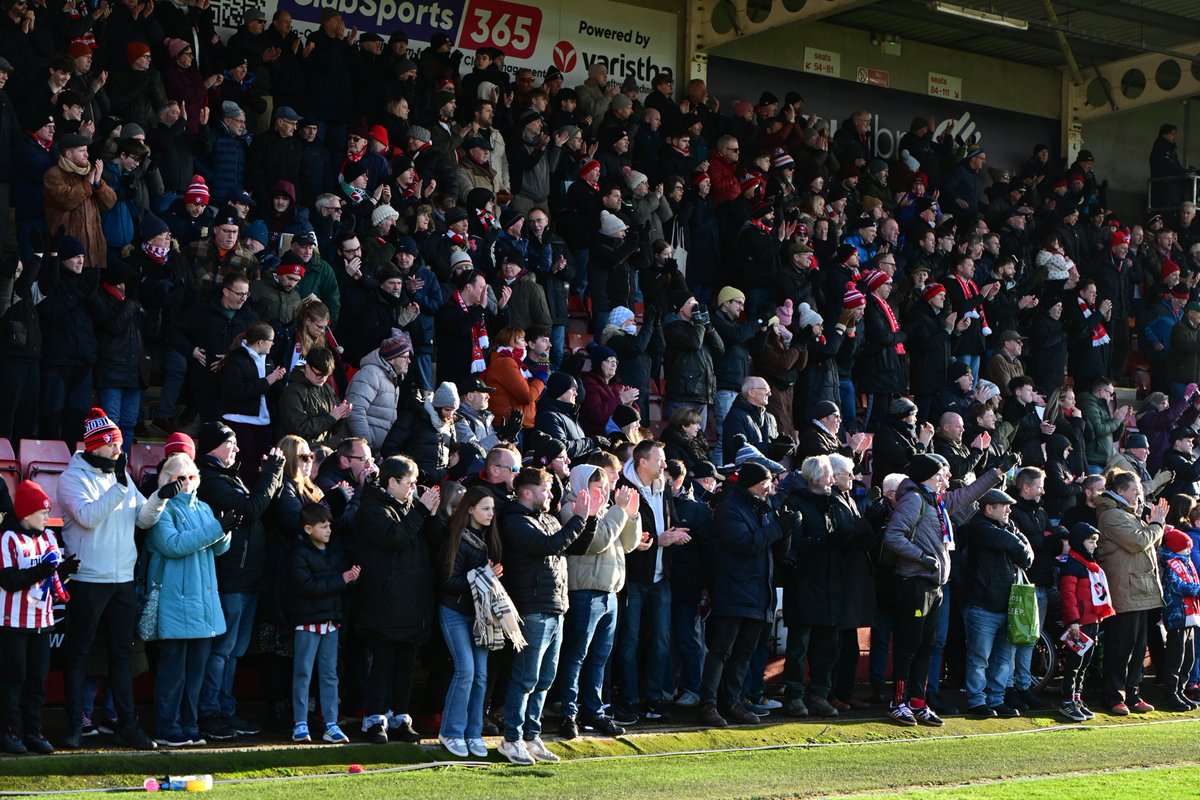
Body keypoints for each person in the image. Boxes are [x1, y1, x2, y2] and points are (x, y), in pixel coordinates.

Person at [59, 408, 171, 750]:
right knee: (78, 653)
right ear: (95, 446)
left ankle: (127, 724)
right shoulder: (71, 477)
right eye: (112, 446)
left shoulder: (119, 477)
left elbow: (142, 520)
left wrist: (160, 499)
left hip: (122, 579)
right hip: (88, 579)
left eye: (119, 446)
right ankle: (74, 726)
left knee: (122, 654)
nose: (118, 452)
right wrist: (121, 485)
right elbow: (88, 517)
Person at [882, 451, 1013, 727]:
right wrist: (922, 557)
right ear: (928, 476)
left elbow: (968, 495)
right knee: (909, 645)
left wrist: (997, 473)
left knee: (927, 645)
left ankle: (917, 700)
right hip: (915, 582)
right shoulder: (914, 499)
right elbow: (893, 536)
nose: (947, 477)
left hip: (934, 584)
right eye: (942, 472)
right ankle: (898, 701)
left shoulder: (936, 501)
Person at [498, 467, 600, 765]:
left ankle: (532, 736)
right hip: (532, 609)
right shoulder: (514, 521)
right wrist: (580, 518)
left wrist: (589, 518)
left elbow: (576, 546)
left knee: (545, 679)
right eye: (546, 489)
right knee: (526, 678)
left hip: (556, 607)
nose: (551, 494)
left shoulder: (548, 518)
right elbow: (548, 546)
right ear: (527, 492)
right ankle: (512, 739)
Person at [194, 424, 285, 741]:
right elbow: (251, 509)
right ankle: (210, 712)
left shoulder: (230, 477)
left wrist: (270, 477)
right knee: (222, 650)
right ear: (212, 447)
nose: (236, 449)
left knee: (234, 651)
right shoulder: (210, 480)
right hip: (231, 578)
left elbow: (262, 506)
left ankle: (226, 709)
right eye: (230, 443)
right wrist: (272, 472)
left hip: (249, 579)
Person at [145, 453, 232, 748]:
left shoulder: (205, 507)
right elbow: (173, 545)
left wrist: (226, 531)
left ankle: (190, 724)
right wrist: (217, 529)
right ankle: (167, 727)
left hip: (204, 604)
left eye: (191, 476)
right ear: (166, 480)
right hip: (174, 602)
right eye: (179, 477)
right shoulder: (162, 510)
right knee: (173, 673)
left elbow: (219, 551)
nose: (186, 483)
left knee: (195, 675)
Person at [354, 455, 439, 744]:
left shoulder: (411, 507)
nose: (413, 489)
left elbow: (432, 539)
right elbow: (394, 538)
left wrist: (430, 512)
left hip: (412, 601)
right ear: (391, 482)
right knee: (383, 662)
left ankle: (400, 716)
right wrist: (421, 510)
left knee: (406, 662)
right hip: (384, 601)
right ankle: (374, 718)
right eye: (408, 483)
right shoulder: (373, 507)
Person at [557, 468, 643, 740]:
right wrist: (619, 511)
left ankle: (593, 711)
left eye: (605, 486)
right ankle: (568, 713)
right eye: (597, 485)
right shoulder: (572, 508)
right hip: (584, 592)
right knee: (576, 656)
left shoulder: (609, 510)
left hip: (610, 594)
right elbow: (597, 541)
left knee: (599, 659)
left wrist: (632, 514)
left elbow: (628, 544)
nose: (603, 491)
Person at [700, 462, 787, 727]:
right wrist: (778, 528)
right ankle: (708, 703)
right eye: (764, 484)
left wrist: (786, 529)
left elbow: (774, 550)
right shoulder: (730, 509)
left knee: (744, 653)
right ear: (751, 483)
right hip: (734, 590)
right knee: (722, 650)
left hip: (758, 592)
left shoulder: (760, 508)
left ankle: (732, 700)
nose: (768, 490)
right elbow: (745, 543)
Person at [0, 481, 79, 755]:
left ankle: (34, 730)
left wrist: (63, 570)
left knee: (37, 680)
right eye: (42, 512)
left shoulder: (48, 539)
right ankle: (9, 732)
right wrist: (43, 570)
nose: (47, 517)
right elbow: (8, 579)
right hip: (13, 624)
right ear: (25, 513)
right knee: (13, 679)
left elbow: (52, 577)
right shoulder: (7, 538)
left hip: (43, 623)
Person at [613, 440, 687, 725]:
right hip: (634, 578)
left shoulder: (663, 486)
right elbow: (628, 537)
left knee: (661, 639)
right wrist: (660, 541)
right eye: (660, 459)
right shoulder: (624, 489)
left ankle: (653, 698)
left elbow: (665, 522)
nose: (664, 464)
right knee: (629, 641)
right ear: (642, 462)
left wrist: (675, 531)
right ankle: (629, 699)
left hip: (660, 577)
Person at [437, 487, 503, 758]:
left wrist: (488, 577)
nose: (490, 514)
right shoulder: (458, 537)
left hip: (481, 614)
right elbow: (448, 582)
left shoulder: (490, 537)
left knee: (481, 675)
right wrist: (482, 575)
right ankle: (451, 731)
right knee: (465, 671)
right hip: (454, 611)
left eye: (492, 509)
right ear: (471, 509)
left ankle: (473, 733)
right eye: (485, 508)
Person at [1095, 469, 1168, 715]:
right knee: (1120, 647)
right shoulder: (1111, 515)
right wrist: (1156, 524)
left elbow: (1151, 540)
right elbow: (1137, 542)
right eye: (1135, 491)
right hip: (1124, 590)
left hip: (1141, 589)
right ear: (1120, 491)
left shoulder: (1131, 515)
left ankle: (1133, 694)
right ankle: (1114, 696)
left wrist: (1155, 525)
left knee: (1138, 648)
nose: (1139, 496)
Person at [960, 489, 1034, 719]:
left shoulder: (1007, 526)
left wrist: (1018, 545)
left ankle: (996, 700)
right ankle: (977, 701)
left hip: (1007, 605)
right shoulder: (979, 528)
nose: (1010, 510)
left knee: (1003, 660)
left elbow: (1028, 555)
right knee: (979, 658)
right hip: (983, 606)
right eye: (1005, 506)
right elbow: (1016, 546)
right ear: (989, 509)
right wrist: (1018, 544)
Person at [288, 503, 357, 745]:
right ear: (308, 528)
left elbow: (333, 583)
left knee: (330, 674)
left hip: (331, 622)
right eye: (323, 526)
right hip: (307, 623)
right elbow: (305, 587)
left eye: (329, 525)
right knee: (303, 673)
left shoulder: (335, 551)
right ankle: (300, 723)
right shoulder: (298, 553)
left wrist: (350, 579)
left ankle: (331, 724)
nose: (329, 530)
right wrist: (341, 580)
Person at [1058, 523, 1113, 721]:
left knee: (1084, 666)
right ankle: (1067, 701)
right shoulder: (1072, 566)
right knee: (1074, 665)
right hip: (1079, 624)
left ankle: (1077, 699)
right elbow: (1068, 596)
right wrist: (1073, 621)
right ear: (1079, 542)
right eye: (1091, 541)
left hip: (1092, 621)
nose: (1094, 546)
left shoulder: (1091, 567)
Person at [1159, 526, 1200, 712]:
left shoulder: (1186, 562)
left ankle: (1181, 690)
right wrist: (1195, 589)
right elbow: (1178, 586)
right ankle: (1171, 693)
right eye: (1186, 547)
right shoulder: (1170, 564)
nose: (1189, 550)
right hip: (1177, 616)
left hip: (1189, 616)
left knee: (1188, 657)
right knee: (1176, 656)